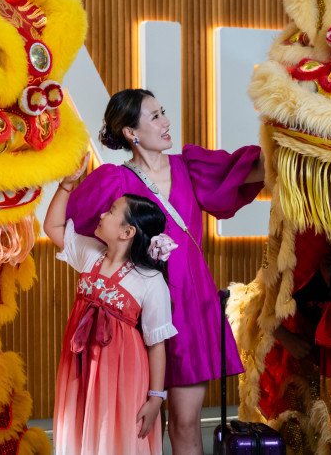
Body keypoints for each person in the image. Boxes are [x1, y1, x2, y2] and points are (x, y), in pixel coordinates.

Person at [65, 89, 264, 454]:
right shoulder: (114, 180)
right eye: (155, 116)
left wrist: (294, 130)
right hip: (136, 315)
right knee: (137, 425)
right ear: (131, 132)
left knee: (186, 425)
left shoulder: (189, 167)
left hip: (191, 307)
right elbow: (71, 226)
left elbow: (254, 171)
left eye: (164, 112)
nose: (166, 122)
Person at [45, 155, 179, 455]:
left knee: (115, 435)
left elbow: (157, 344)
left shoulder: (150, 280)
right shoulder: (91, 254)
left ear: (127, 232)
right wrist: (67, 185)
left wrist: (156, 397)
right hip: (81, 367)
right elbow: (53, 226)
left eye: (111, 211)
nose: (102, 215)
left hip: (123, 374)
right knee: (82, 430)